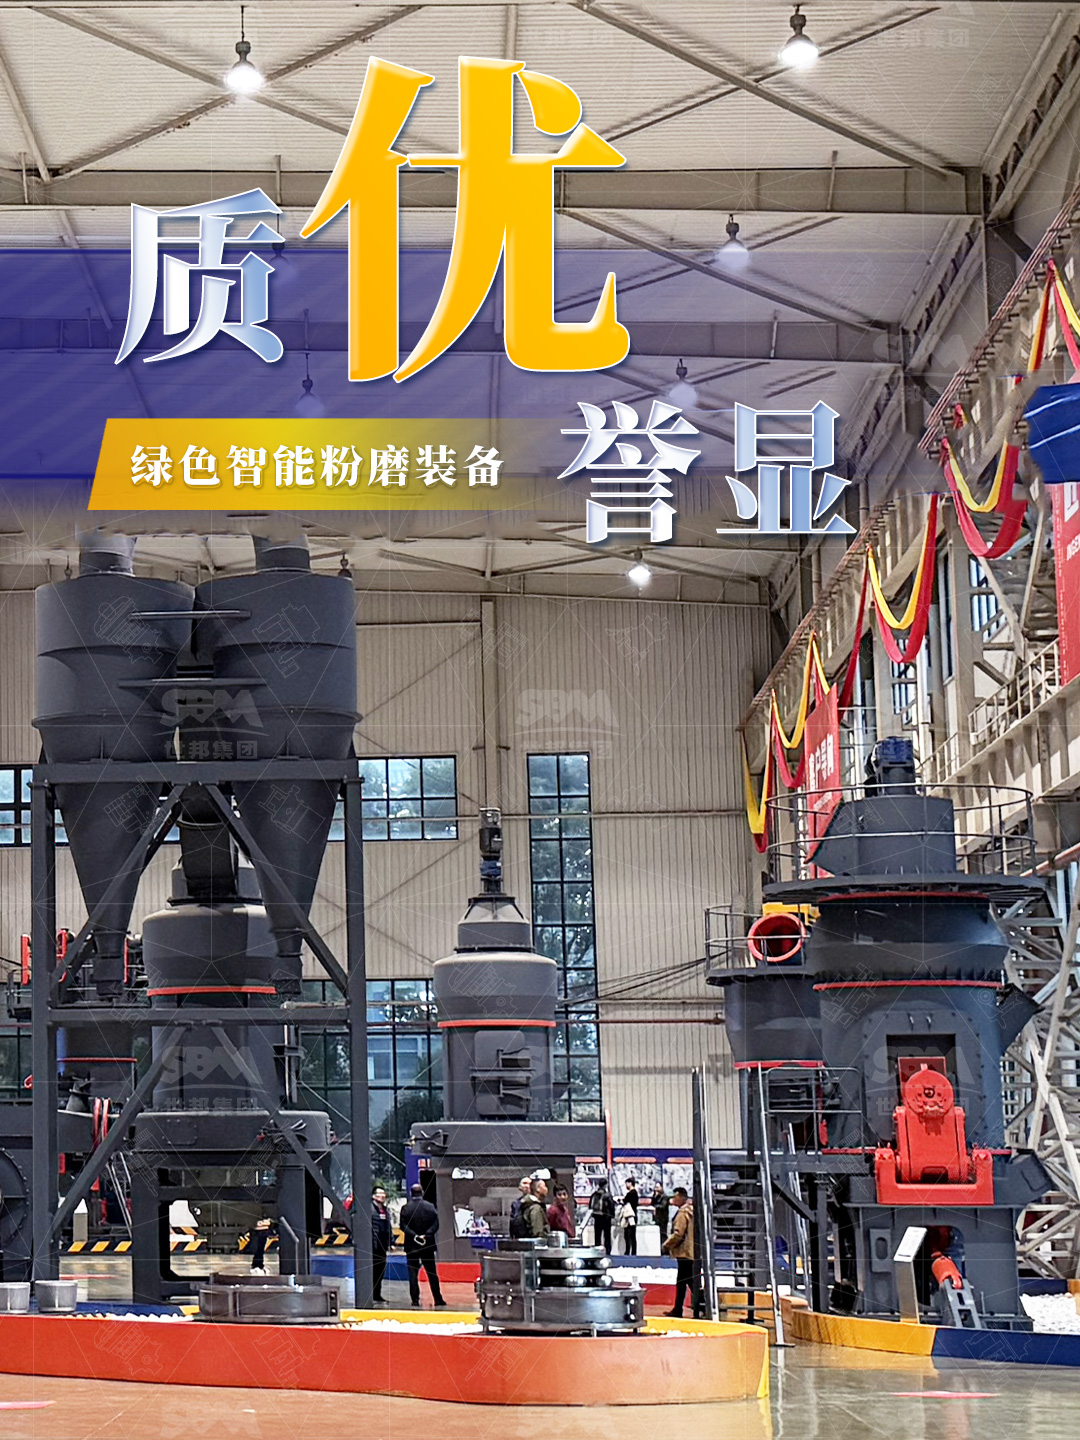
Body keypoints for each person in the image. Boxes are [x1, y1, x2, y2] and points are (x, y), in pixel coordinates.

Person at [399, 1183, 447, 1308]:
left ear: (411, 1193)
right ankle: (438, 1298)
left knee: (413, 1273)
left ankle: (415, 1300)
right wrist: (426, 1235)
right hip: (427, 1245)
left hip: (412, 1245)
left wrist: (414, 1235)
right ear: (422, 1192)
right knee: (432, 1273)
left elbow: (403, 1226)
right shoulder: (430, 1207)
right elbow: (436, 1224)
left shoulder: (406, 1208)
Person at [663, 1187, 698, 1318]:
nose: (674, 1199)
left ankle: (684, 1308)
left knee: (685, 1282)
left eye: (675, 1196)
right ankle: (681, 1308)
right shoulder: (691, 1211)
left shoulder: (683, 1213)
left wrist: (666, 1245)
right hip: (691, 1251)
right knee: (687, 1281)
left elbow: (678, 1233)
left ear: (681, 1197)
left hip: (684, 1252)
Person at [371, 1185, 392, 1304]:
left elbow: (388, 1227)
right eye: (380, 1194)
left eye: (384, 1194)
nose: (383, 1196)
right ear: (374, 1196)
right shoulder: (370, 1209)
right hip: (373, 1246)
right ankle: (371, 1294)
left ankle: (377, 1294)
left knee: (380, 1271)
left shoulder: (385, 1210)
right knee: (373, 1271)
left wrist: (390, 1242)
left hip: (382, 1246)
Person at [589, 1180, 615, 1255]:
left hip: (597, 1217)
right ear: (605, 1185)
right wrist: (612, 1216)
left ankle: (597, 1251)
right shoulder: (607, 1195)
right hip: (606, 1217)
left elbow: (590, 1206)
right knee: (607, 1236)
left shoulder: (594, 1194)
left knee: (597, 1235)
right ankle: (608, 1251)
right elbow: (611, 1206)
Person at [508, 1175, 532, 1239]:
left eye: (529, 1183)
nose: (527, 1186)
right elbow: (512, 1221)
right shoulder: (516, 1204)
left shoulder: (536, 1202)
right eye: (524, 1183)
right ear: (520, 1187)